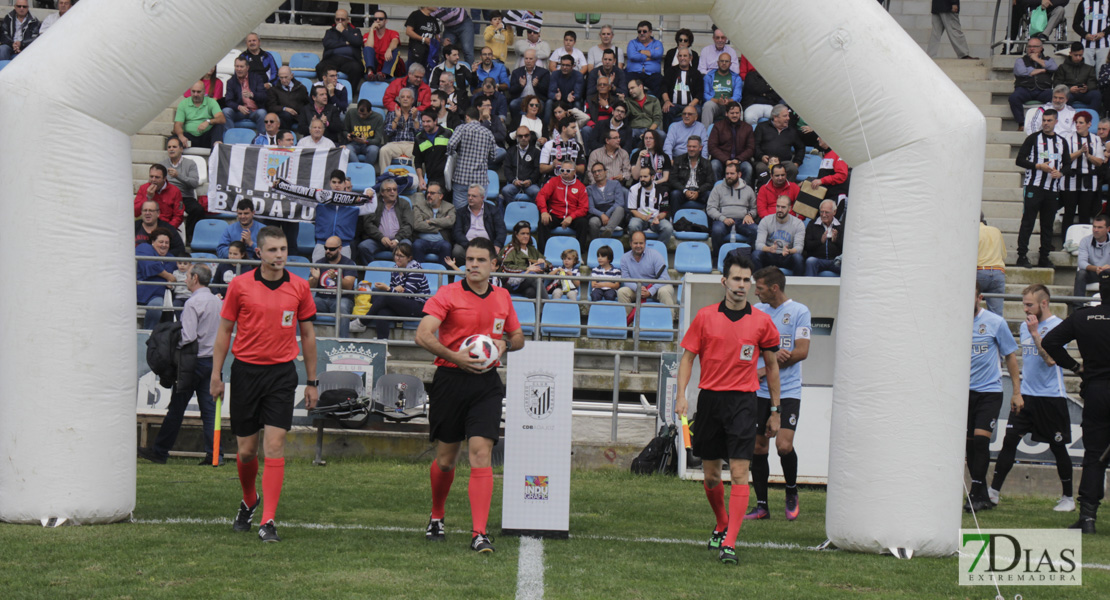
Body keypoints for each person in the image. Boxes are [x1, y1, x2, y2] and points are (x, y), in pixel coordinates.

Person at [415, 236, 525, 553]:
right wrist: (455, 357)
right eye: (469, 260)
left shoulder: (503, 297)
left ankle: (479, 533)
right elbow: (422, 334)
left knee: (481, 453)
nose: (473, 265)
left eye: (480, 260)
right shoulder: (448, 294)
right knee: (447, 461)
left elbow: (518, 337)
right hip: (450, 380)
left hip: (487, 384)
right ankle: (437, 515)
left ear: (493, 264)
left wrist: (504, 344)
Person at [211, 226, 319, 543]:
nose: (279, 255)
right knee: (246, 452)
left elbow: (309, 336)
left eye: (283, 249)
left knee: (274, 446)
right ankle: (249, 499)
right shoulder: (240, 286)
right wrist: (216, 375)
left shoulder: (299, 287)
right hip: (245, 372)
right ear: (259, 253)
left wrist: (312, 381)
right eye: (272, 250)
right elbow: (224, 332)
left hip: (282, 374)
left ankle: (268, 520)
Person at [676, 251, 780, 564]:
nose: (741, 284)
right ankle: (721, 522)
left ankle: (730, 542)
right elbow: (687, 357)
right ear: (724, 281)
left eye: (746, 280)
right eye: (736, 278)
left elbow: (772, 366)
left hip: (744, 403)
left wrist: (775, 409)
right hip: (710, 400)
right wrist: (682, 395)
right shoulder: (705, 316)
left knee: (739, 472)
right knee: (710, 477)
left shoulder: (762, 321)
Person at [988, 285, 1076, 511]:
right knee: (1009, 442)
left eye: (1029, 305)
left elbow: (1050, 360)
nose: (1025, 309)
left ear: (1044, 304)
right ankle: (993, 492)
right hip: (1026, 396)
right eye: (1024, 304)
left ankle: (1068, 498)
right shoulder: (1027, 326)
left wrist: (1037, 334)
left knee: (1058, 447)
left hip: (1051, 398)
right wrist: (1017, 392)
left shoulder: (1058, 327)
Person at [1042, 270, 1110, 534]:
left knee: (1094, 454)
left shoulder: (1084, 317)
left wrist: (1075, 367)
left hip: (1096, 390)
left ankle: (1088, 518)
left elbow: (1050, 341)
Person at [137, 265, 224, 466]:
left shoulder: (193, 303)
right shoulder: (217, 302)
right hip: (211, 361)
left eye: (187, 277)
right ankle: (214, 455)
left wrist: (171, 345)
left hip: (192, 361)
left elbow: (188, 336)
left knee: (176, 409)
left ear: (195, 278)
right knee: (209, 411)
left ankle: (160, 451)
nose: (185, 280)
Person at [745, 266, 810, 521]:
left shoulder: (799, 311)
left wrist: (776, 362)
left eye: (759, 287)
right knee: (759, 447)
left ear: (774, 288)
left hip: (788, 390)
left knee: (784, 446)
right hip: (759, 391)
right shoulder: (756, 311)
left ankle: (791, 491)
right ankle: (762, 506)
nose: (755, 291)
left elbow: (802, 351)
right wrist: (764, 363)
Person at [965, 281, 1022, 513]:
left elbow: (1010, 356)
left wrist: (1017, 392)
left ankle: (975, 491)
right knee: (969, 445)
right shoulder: (954, 321)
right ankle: (981, 493)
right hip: (963, 393)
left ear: (979, 298)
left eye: (972, 297)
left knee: (980, 440)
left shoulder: (995, 322)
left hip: (989, 391)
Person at [1016, 108, 1071, 268]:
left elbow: (1067, 164)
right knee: (1028, 222)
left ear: (1056, 122)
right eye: (1044, 120)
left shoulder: (1061, 141)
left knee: (1048, 224)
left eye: (1049, 121)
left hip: (1052, 189)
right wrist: (1038, 166)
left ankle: (1044, 257)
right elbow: (1019, 160)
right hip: (1034, 186)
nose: (1046, 123)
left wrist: (1060, 173)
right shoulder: (1033, 139)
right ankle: (1022, 256)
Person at [352, 242, 431, 336]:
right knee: (382, 312)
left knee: (385, 297)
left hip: (418, 305)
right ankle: (382, 346)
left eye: (401, 256)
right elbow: (396, 292)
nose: (397, 258)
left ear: (409, 258)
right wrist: (394, 290)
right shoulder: (395, 268)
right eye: (396, 255)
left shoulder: (415, 270)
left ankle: (362, 322)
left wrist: (388, 289)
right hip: (402, 304)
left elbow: (408, 295)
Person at [1062, 111, 1105, 237]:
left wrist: (1088, 155)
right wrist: (1080, 152)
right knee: (1069, 212)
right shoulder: (1068, 138)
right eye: (1076, 123)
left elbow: (1099, 162)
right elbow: (1065, 158)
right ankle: (1066, 240)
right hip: (1071, 179)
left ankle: (1084, 241)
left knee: (1085, 213)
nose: (1078, 125)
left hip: (1089, 180)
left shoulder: (1095, 139)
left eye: (1081, 123)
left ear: (1089, 124)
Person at [448, 107, 499, 208]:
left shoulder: (461, 128)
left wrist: (452, 155)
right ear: (479, 117)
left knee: (460, 213)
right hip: (480, 180)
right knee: (478, 213)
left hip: (461, 178)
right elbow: (494, 156)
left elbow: (451, 144)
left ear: (467, 117)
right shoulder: (488, 132)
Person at [707, 162, 758, 261]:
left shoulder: (748, 190)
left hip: (743, 220)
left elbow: (754, 208)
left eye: (732, 173)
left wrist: (749, 215)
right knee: (717, 231)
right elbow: (710, 208)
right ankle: (718, 258)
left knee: (756, 230)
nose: (729, 176)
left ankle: (746, 257)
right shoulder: (718, 189)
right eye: (727, 174)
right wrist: (723, 218)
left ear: (739, 174)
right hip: (723, 219)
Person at [309, 235, 357, 337]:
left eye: (332, 249)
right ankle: (302, 339)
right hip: (321, 299)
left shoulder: (348, 263)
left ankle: (343, 342)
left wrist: (337, 278)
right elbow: (309, 286)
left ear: (340, 248)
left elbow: (349, 286)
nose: (328, 251)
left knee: (343, 307)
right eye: (326, 248)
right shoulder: (319, 263)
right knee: (304, 304)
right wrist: (315, 278)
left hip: (341, 299)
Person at [358, 178, 413, 263]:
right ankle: (372, 272)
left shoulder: (404, 203)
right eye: (389, 190)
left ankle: (400, 274)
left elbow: (408, 225)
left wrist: (397, 239)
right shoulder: (374, 203)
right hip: (378, 239)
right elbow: (368, 224)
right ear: (382, 192)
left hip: (399, 240)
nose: (392, 192)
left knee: (406, 245)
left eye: (394, 189)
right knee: (364, 246)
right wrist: (381, 237)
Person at [618, 231, 676, 311]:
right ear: (630, 243)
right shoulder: (624, 258)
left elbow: (664, 278)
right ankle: (628, 322)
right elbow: (625, 278)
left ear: (645, 243)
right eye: (636, 243)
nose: (638, 246)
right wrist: (638, 289)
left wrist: (650, 291)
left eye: (641, 243)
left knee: (664, 291)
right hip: (637, 288)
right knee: (622, 292)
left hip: (658, 287)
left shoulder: (655, 255)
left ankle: (669, 321)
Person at [1010, 37, 1060, 128]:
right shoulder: (1020, 60)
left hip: (1043, 90)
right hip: (1025, 89)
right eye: (1029, 46)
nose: (1031, 49)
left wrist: (1037, 59)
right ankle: (1021, 123)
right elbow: (1022, 72)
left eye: (1035, 46)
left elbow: (1053, 68)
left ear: (1041, 48)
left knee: (1055, 96)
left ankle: (1052, 123)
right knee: (1014, 97)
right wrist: (1042, 70)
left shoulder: (1048, 59)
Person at [160, 138, 202, 242]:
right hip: (168, 196)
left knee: (198, 210)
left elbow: (194, 183)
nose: (171, 149)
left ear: (181, 149)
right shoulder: (162, 164)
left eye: (174, 147)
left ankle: (190, 236)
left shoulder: (190, 164)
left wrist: (178, 176)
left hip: (185, 196)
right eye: (169, 147)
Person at [452, 184, 505, 264]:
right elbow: (457, 232)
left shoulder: (493, 210)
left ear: (482, 198)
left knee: (499, 256)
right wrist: (468, 245)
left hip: (487, 246)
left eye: (474, 196)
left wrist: (497, 244)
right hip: (467, 246)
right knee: (457, 251)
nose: (470, 198)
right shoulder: (461, 212)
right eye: (469, 195)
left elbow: (501, 230)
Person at [136, 229, 178, 330]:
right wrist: (167, 276)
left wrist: (170, 279)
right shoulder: (144, 248)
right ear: (153, 242)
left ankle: (149, 334)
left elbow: (174, 277)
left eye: (167, 243)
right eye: (161, 242)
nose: (164, 245)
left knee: (156, 306)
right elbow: (150, 265)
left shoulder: (171, 258)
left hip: (157, 295)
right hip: (139, 293)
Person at [753, 195, 805, 274]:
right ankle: (758, 282)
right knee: (756, 254)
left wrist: (789, 251)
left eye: (783, 207)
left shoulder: (798, 223)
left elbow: (799, 248)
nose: (779, 210)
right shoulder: (766, 220)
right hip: (770, 254)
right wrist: (769, 249)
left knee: (798, 258)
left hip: (787, 256)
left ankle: (797, 286)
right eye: (778, 206)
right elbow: (758, 244)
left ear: (789, 208)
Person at [754, 105, 805, 183]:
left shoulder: (791, 131)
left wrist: (797, 162)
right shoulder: (762, 127)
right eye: (785, 116)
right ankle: (766, 193)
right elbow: (754, 145)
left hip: (783, 163)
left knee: (792, 168)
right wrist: (761, 156)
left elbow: (800, 147)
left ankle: (787, 192)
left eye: (788, 115)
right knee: (761, 169)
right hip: (764, 162)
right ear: (775, 117)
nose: (788, 118)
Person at [499, 221, 549, 299]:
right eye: (523, 233)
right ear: (516, 234)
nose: (526, 236)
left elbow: (549, 265)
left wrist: (544, 264)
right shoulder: (509, 249)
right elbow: (504, 267)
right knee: (533, 277)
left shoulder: (532, 249)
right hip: (511, 283)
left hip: (525, 284)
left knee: (531, 292)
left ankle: (539, 311)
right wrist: (527, 269)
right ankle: (548, 306)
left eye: (528, 233)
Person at [707, 101, 754, 182]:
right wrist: (726, 160)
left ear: (740, 114)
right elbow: (712, 146)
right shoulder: (718, 126)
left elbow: (751, 148)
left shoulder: (747, 128)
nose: (735, 115)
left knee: (748, 168)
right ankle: (716, 191)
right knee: (714, 165)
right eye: (732, 113)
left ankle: (745, 192)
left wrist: (738, 160)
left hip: (741, 161)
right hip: (721, 160)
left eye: (737, 113)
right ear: (726, 113)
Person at [317, 8, 364, 88]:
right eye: (337, 19)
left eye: (343, 19)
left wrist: (343, 31)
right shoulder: (330, 31)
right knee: (320, 67)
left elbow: (357, 42)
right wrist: (345, 43)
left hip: (350, 60)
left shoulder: (355, 31)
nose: (340, 22)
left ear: (348, 20)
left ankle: (349, 92)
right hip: (332, 59)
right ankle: (325, 90)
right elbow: (327, 43)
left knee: (357, 69)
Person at [378, 87, 421, 172]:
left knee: (418, 152)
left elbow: (420, 133)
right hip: (395, 144)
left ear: (412, 100)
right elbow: (388, 132)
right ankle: (384, 178)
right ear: (399, 99)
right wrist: (397, 118)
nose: (405, 99)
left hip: (411, 144)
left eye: (408, 97)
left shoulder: (418, 113)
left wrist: (414, 118)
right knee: (384, 150)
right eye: (403, 97)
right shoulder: (392, 113)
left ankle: (416, 180)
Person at [412, 181, 456, 263]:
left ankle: (444, 275)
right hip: (422, 240)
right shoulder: (418, 206)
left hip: (441, 241)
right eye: (428, 192)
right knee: (416, 245)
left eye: (432, 193)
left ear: (440, 196)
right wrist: (439, 227)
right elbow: (417, 225)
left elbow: (450, 222)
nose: (428, 195)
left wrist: (430, 221)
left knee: (446, 246)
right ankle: (417, 274)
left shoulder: (449, 207)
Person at [626, 167, 673, 243]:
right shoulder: (634, 189)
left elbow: (664, 211)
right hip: (639, 218)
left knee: (668, 228)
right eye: (640, 177)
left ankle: (658, 250)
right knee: (633, 226)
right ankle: (637, 249)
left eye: (645, 176)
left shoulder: (662, 190)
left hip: (656, 219)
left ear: (652, 177)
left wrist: (658, 217)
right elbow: (633, 210)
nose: (642, 179)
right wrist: (644, 217)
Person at [174, 81, 226, 149]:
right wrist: (181, 136)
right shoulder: (183, 104)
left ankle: (215, 153)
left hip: (206, 137)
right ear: (190, 91)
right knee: (173, 139)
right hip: (188, 138)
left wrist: (208, 121)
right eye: (193, 91)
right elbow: (178, 124)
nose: (195, 94)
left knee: (218, 126)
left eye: (198, 92)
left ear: (204, 92)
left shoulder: (211, 102)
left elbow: (222, 119)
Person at [223, 58, 269, 132]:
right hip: (239, 112)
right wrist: (238, 107)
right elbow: (228, 100)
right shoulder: (231, 81)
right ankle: (230, 136)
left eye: (241, 66)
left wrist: (252, 95)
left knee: (262, 113)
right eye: (237, 66)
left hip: (255, 111)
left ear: (247, 68)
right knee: (226, 111)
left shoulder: (256, 78)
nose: (239, 69)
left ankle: (261, 138)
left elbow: (263, 96)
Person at [661, 48, 704, 128]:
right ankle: (668, 136)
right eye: (680, 56)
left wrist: (691, 105)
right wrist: (666, 101)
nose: (682, 58)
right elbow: (664, 87)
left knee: (698, 111)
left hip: (692, 104)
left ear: (690, 58)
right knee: (667, 110)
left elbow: (699, 93)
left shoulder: (696, 73)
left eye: (685, 56)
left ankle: (695, 135)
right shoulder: (671, 71)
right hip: (674, 105)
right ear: (677, 57)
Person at [1073, 214, 1110, 304]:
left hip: (1108, 272)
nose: (1096, 230)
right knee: (1081, 273)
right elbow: (1081, 263)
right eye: (1094, 227)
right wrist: (1096, 269)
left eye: (1100, 227)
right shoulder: (1085, 241)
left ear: (1108, 229)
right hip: (1094, 273)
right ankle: (1078, 308)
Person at [133, 164, 184, 229]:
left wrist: (169, 229)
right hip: (147, 226)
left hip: (166, 227)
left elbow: (178, 215)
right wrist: (148, 197)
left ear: (164, 178)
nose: (153, 180)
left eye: (157, 177)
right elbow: (135, 212)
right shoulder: (143, 188)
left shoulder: (175, 191)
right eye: (151, 176)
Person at [1055, 42, 1102, 111]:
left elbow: (1093, 83)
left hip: (1084, 93)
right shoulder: (1062, 67)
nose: (1078, 58)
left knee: (1096, 94)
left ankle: (1092, 117)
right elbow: (1057, 83)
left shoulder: (1089, 68)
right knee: (1064, 97)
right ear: (1070, 53)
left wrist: (1087, 88)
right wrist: (1069, 89)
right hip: (1068, 93)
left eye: (1080, 55)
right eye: (1076, 55)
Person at [500, 127, 542, 205]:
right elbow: (507, 169)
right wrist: (514, 180)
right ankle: (513, 211)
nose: (523, 138)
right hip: (514, 184)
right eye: (520, 136)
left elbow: (537, 170)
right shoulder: (510, 151)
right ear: (516, 137)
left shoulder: (536, 152)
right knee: (505, 191)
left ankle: (532, 213)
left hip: (530, 184)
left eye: (526, 135)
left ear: (529, 136)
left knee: (537, 192)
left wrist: (530, 181)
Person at [803, 200, 844, 276]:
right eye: (821, 212)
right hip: (818, 260)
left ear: (834, 212)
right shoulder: (812, 224)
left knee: (846, 265)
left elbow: (846, 249)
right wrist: (820, 241)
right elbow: (806, 246)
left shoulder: (840, 226)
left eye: (827, 212)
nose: (824, 215)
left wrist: (836, 241)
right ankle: (809, 287)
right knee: (810, 261)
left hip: (835, 260)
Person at [670, 136, 714, 209]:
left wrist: (698, 191)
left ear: (700, 148)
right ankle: (675, 219)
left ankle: (709, 220)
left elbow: (710, 182)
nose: (691, 149)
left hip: (700, 191)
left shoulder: (706, 163)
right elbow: (673, 180)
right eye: (689, 146)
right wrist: (685, 190)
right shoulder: (678, 160)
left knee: (709, 194)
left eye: (694, 147)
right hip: (683, 190)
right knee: (675, 194)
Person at [977, 214, 1007, 316]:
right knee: (997, 315)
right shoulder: (996, 231)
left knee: (970, 309)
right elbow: (1003, 254)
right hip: (998, 271)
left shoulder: (972, 231)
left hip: (979, 271)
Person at [702, 54, 743, 128]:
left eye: (726, 61)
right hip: (714, 104)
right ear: (718, 63)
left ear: (730, 64)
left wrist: (729, 101)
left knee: (738, 106)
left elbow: (738, 96)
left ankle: (738, 135)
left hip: (729, 104)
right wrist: (717, 101)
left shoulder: (736, 78)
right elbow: (705, 94)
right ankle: (705, 136)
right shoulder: (709, 76)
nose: (724, 63)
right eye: (722, 61)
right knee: (707, 105)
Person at [626, 21, 663, 97]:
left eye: (644, 31)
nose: (641, 33)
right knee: (625, 81)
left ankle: (656, 106)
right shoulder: (632, 43)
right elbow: (632, 56)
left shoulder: (657, 43)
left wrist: (640, 52)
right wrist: (650, 57)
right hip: (634, 74)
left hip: (652, 75)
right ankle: (627, 106)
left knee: (661, 82)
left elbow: (658, 54)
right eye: (639, 31)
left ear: (650, 32)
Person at [508, 49, 550, 117]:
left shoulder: (543, 72)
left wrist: (537, 85)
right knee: (513, 104)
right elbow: (511, 91)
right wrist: (520, 86)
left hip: (537, 99)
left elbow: (546, 91)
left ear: (536, 60)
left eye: (531, 59)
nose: (528, 61)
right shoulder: (516, 72)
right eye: (526, 58)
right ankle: (516, 124)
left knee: (538, 105)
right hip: (522, 99)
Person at [344, 99, 385, 166]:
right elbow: (344, 130)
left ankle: (366, 168)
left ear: (370, 112)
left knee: (374, 150)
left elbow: (378, 140)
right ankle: (358, 168)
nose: (361, 116)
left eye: (364, 114)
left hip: (369, 144)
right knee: (347, 149)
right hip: (354, 143)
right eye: (359, 113)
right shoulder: (351, 113)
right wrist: (347, 135)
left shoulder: (378, 118)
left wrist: (366, 141)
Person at [364, 9, 402, 81]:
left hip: (388, 64)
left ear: (386, 21)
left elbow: (395, 41)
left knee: (395, 50)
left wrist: (389, 49)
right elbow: (368, 47)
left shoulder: (393, 32)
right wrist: (372, 30)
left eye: (380, 19)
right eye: (375, 19)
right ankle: (370, 73)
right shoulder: (367, 35)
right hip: (374, 65)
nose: (377, 21)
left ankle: (384, 74)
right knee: (366, 49)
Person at [547, 53, 585, 122]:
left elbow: (578, 94)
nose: (564, 67)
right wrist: (555, 96)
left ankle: (577, 126)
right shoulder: (555, 74)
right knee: (549, 102)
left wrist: (573, 97)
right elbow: (550, 93)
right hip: (558, 100)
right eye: (563, 65)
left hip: (571, 101)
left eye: (567, 65)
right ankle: (547, 126)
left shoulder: (578, 75)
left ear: (573, 66)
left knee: (577, 103)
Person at [1073, 1, 1110, 68]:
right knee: (1086, 72)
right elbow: (1075, 25)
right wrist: (1085, 35)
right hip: (1086, 45)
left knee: (1102, 71)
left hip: (1104, 45)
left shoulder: (1108, 3)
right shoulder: (1084, 3)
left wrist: (1103, 33)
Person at [404, 7, 442, 71]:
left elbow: (437, 35)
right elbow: (408, 31)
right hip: (416, 50)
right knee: (414, 72)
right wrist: (423, 39)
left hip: (429, 53)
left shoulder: (433, 18)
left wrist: (443, 41)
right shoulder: (415, 14)